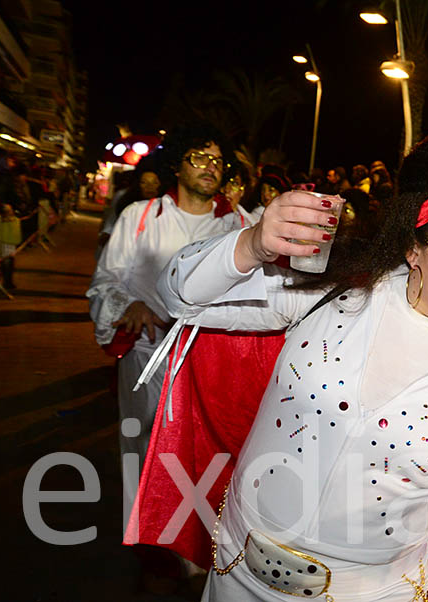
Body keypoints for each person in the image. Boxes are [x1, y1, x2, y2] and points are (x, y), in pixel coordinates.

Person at [153, 125, 428, 601]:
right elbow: (178, 297)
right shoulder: (330, 296)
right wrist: (252, 244)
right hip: (237, 576)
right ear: (414, 249)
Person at [86, 122, 244, 538]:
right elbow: (104, 282)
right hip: (147, 358)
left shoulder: (239, 225)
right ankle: (150, 547)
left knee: (205, 456)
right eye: (199, 157)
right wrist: (130, 305)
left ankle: (197, 550)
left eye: (217, 159)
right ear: (177, 164)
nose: (210, 167)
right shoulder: (140, 217)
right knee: (143, 452)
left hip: (211, 363)